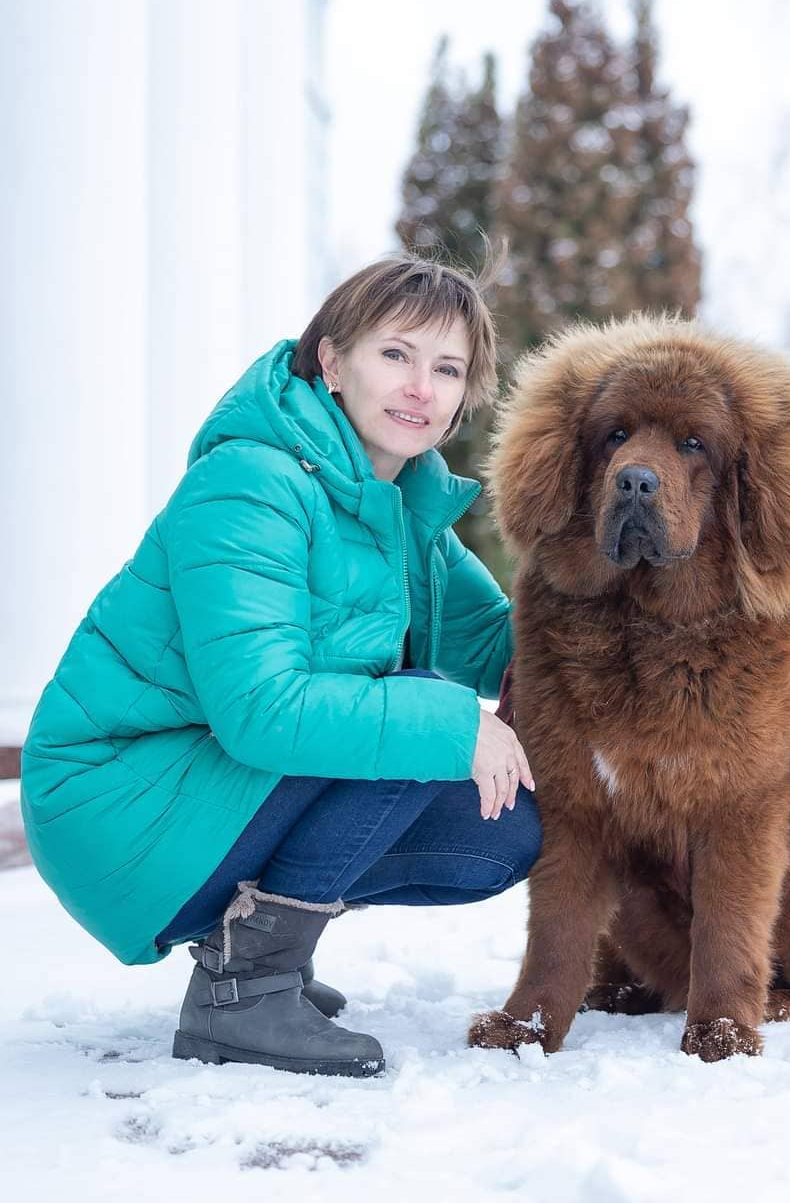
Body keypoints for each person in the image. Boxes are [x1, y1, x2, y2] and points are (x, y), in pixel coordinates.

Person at [20, 253, 538, 1080]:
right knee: (422, 717)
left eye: (447, 368)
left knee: (501, 833)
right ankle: (243, 989)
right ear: (332, 361)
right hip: (116, 800)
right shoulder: (251, 482)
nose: (420, 387)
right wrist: (452, 725)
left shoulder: (406, 506)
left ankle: (266, 954)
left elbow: (501, 644)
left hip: (205, 787)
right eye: (395, 355)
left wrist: (630, 609)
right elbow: (259, 708)